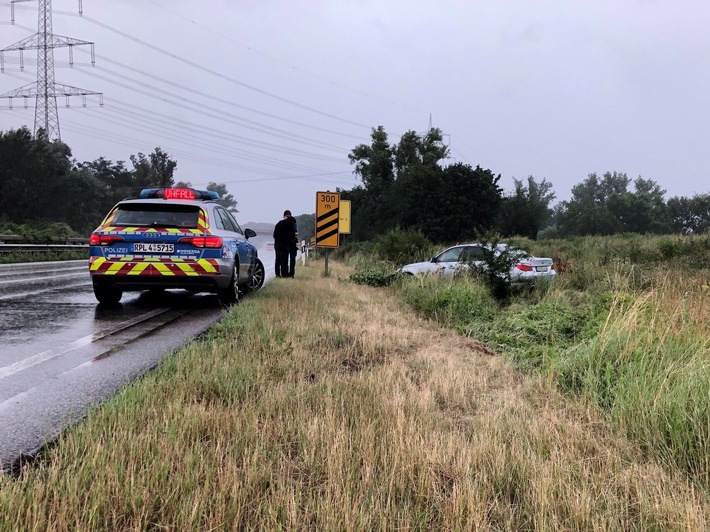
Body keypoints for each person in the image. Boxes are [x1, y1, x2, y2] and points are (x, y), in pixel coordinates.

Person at [273, 209, 297, 278]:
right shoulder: (291, 224)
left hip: (277, 244)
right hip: (285, 244)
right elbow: (292, 234)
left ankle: (277, 274)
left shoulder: (279, 223)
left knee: (278, 260)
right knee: (284, 260)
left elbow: (274, 235)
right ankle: (285, 274)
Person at [286, 212, 299, 277]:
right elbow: (296, 233)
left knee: (284, 259)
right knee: (292, 259)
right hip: (293, 243)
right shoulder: (295, 224)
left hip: (286, 243)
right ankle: (291, 273)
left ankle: (285, 272)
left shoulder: (284, 223)